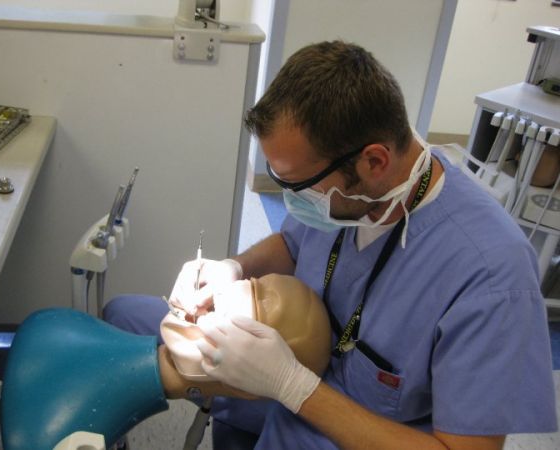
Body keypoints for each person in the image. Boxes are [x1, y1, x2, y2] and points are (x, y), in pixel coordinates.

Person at [104, 40, 557, 449]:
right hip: (292, 365)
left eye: (299, 186)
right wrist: (233, 268)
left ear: (374, 161)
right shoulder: (351, 195)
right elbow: (293, 244)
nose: (290, 198)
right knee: (124, 317)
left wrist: (292, 385)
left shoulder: (491, 274)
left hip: (365, 427)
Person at [0, 274, 331, 450]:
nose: (222, 296)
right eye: (252, 283)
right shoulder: (54, 325)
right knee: (122, 309)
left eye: (250, 302)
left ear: (246, 387)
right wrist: (233, 265)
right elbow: (290, 242)